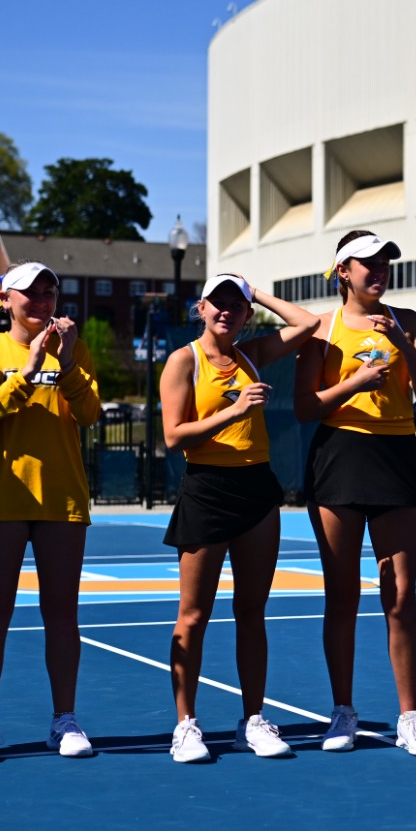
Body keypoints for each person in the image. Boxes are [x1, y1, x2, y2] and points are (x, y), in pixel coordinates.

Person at [293, 230, 416, 758]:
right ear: (343, 271)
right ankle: (343, 712)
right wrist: (354, 383)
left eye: (385, 262)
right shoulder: (321, 328)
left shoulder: (410, 321)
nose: (379, 271)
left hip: (395, 459)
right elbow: (305, 407)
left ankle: (411, 717)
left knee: (401, 596)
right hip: (339, 459)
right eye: (368, 263)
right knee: (343, 595)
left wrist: (404, 344)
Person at [160, 273, 321, 763]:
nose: (226, 311)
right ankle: (186, 725)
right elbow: (174, 436)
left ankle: (252, 720)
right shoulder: (182, 360)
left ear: (247, 314)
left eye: (236, 304)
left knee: (252, 611)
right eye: (218, 303)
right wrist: (232, 414)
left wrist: (257, 292)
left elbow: (309, 322)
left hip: (257, 489)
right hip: (207, 489)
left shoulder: (253, 352)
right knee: (193, 614)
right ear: (201, 308)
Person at [0, 262, 105, 764]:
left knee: (62, 615)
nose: (42, 301)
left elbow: (89, 415)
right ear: (4, 299)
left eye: (49, 292)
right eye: (30, 293)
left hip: (61, 498)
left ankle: (64, 718)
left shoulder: (75, 349)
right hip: (1, 497)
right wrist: (28, 369)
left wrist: (62, 364)